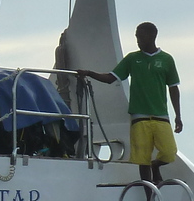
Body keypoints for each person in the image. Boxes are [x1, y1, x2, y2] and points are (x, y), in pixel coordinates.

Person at [78, 21, 183, 187]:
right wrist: (89, 73)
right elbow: (110, 78)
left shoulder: (166, 59)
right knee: (142, 159)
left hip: (160, 115)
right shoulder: (132, 59)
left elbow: (173, 88)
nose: (137, 40)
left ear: (151, 36)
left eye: (140, 37)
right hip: (139, 116)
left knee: (169, 153)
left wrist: (178, 116)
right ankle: (149, 196)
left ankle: (156, 166)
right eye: (136, 37)